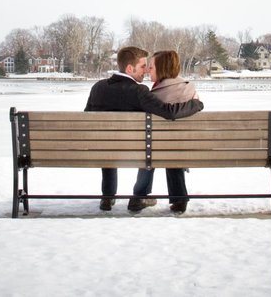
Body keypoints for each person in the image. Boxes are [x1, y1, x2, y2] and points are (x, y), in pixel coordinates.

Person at [84, 46, 203, 211]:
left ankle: (107, 197)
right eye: (142, 67)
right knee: (148, 146)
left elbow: (86, 117)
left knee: (108, 143)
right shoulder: (139, 91)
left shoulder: (98, 87)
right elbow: (169, 112)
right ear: (130, 68)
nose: (146, 71)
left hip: (102, 148)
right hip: (136, 150)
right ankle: (145, 196)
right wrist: (196, 104)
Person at [129, 50, 196, 214]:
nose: (147, 70)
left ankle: (139, 195)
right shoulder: (189, 89)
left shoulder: (152, 95)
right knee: (172, 148)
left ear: (162, 69)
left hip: (152, 149)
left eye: (151, 67)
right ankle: (180, 198)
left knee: (150, 149)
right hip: (182, 147)